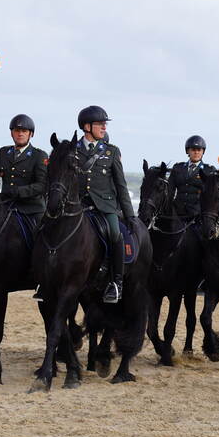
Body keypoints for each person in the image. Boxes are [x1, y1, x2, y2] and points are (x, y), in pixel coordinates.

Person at [76, 105, 137, 303]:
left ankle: (115, 283)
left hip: (104, 206)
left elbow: (121, 185)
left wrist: (130, 216)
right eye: (100, 124)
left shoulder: (111, 152)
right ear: (87, 126)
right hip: (77, 205)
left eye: (104, 124)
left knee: (114, 233)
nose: (104, 127)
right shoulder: (73, 150)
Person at [0, 114, 48, 226]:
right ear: (11, 133)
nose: (20, 134)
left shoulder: (39, 155)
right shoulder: (3, 152)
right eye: (17, 130)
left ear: (31, 134)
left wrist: (18, 191)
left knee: (41, 238)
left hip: (31, 209)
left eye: (24, 131)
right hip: (6, 206)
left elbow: (42, 185)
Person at [169, 135, 215, 220]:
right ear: (188, 151)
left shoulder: (209, 170)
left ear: (203, 152)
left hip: (198, 214)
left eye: (199, 150)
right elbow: (170, 192)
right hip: (177, 213)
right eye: (193, 150)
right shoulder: (178, 168)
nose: (196, 152)